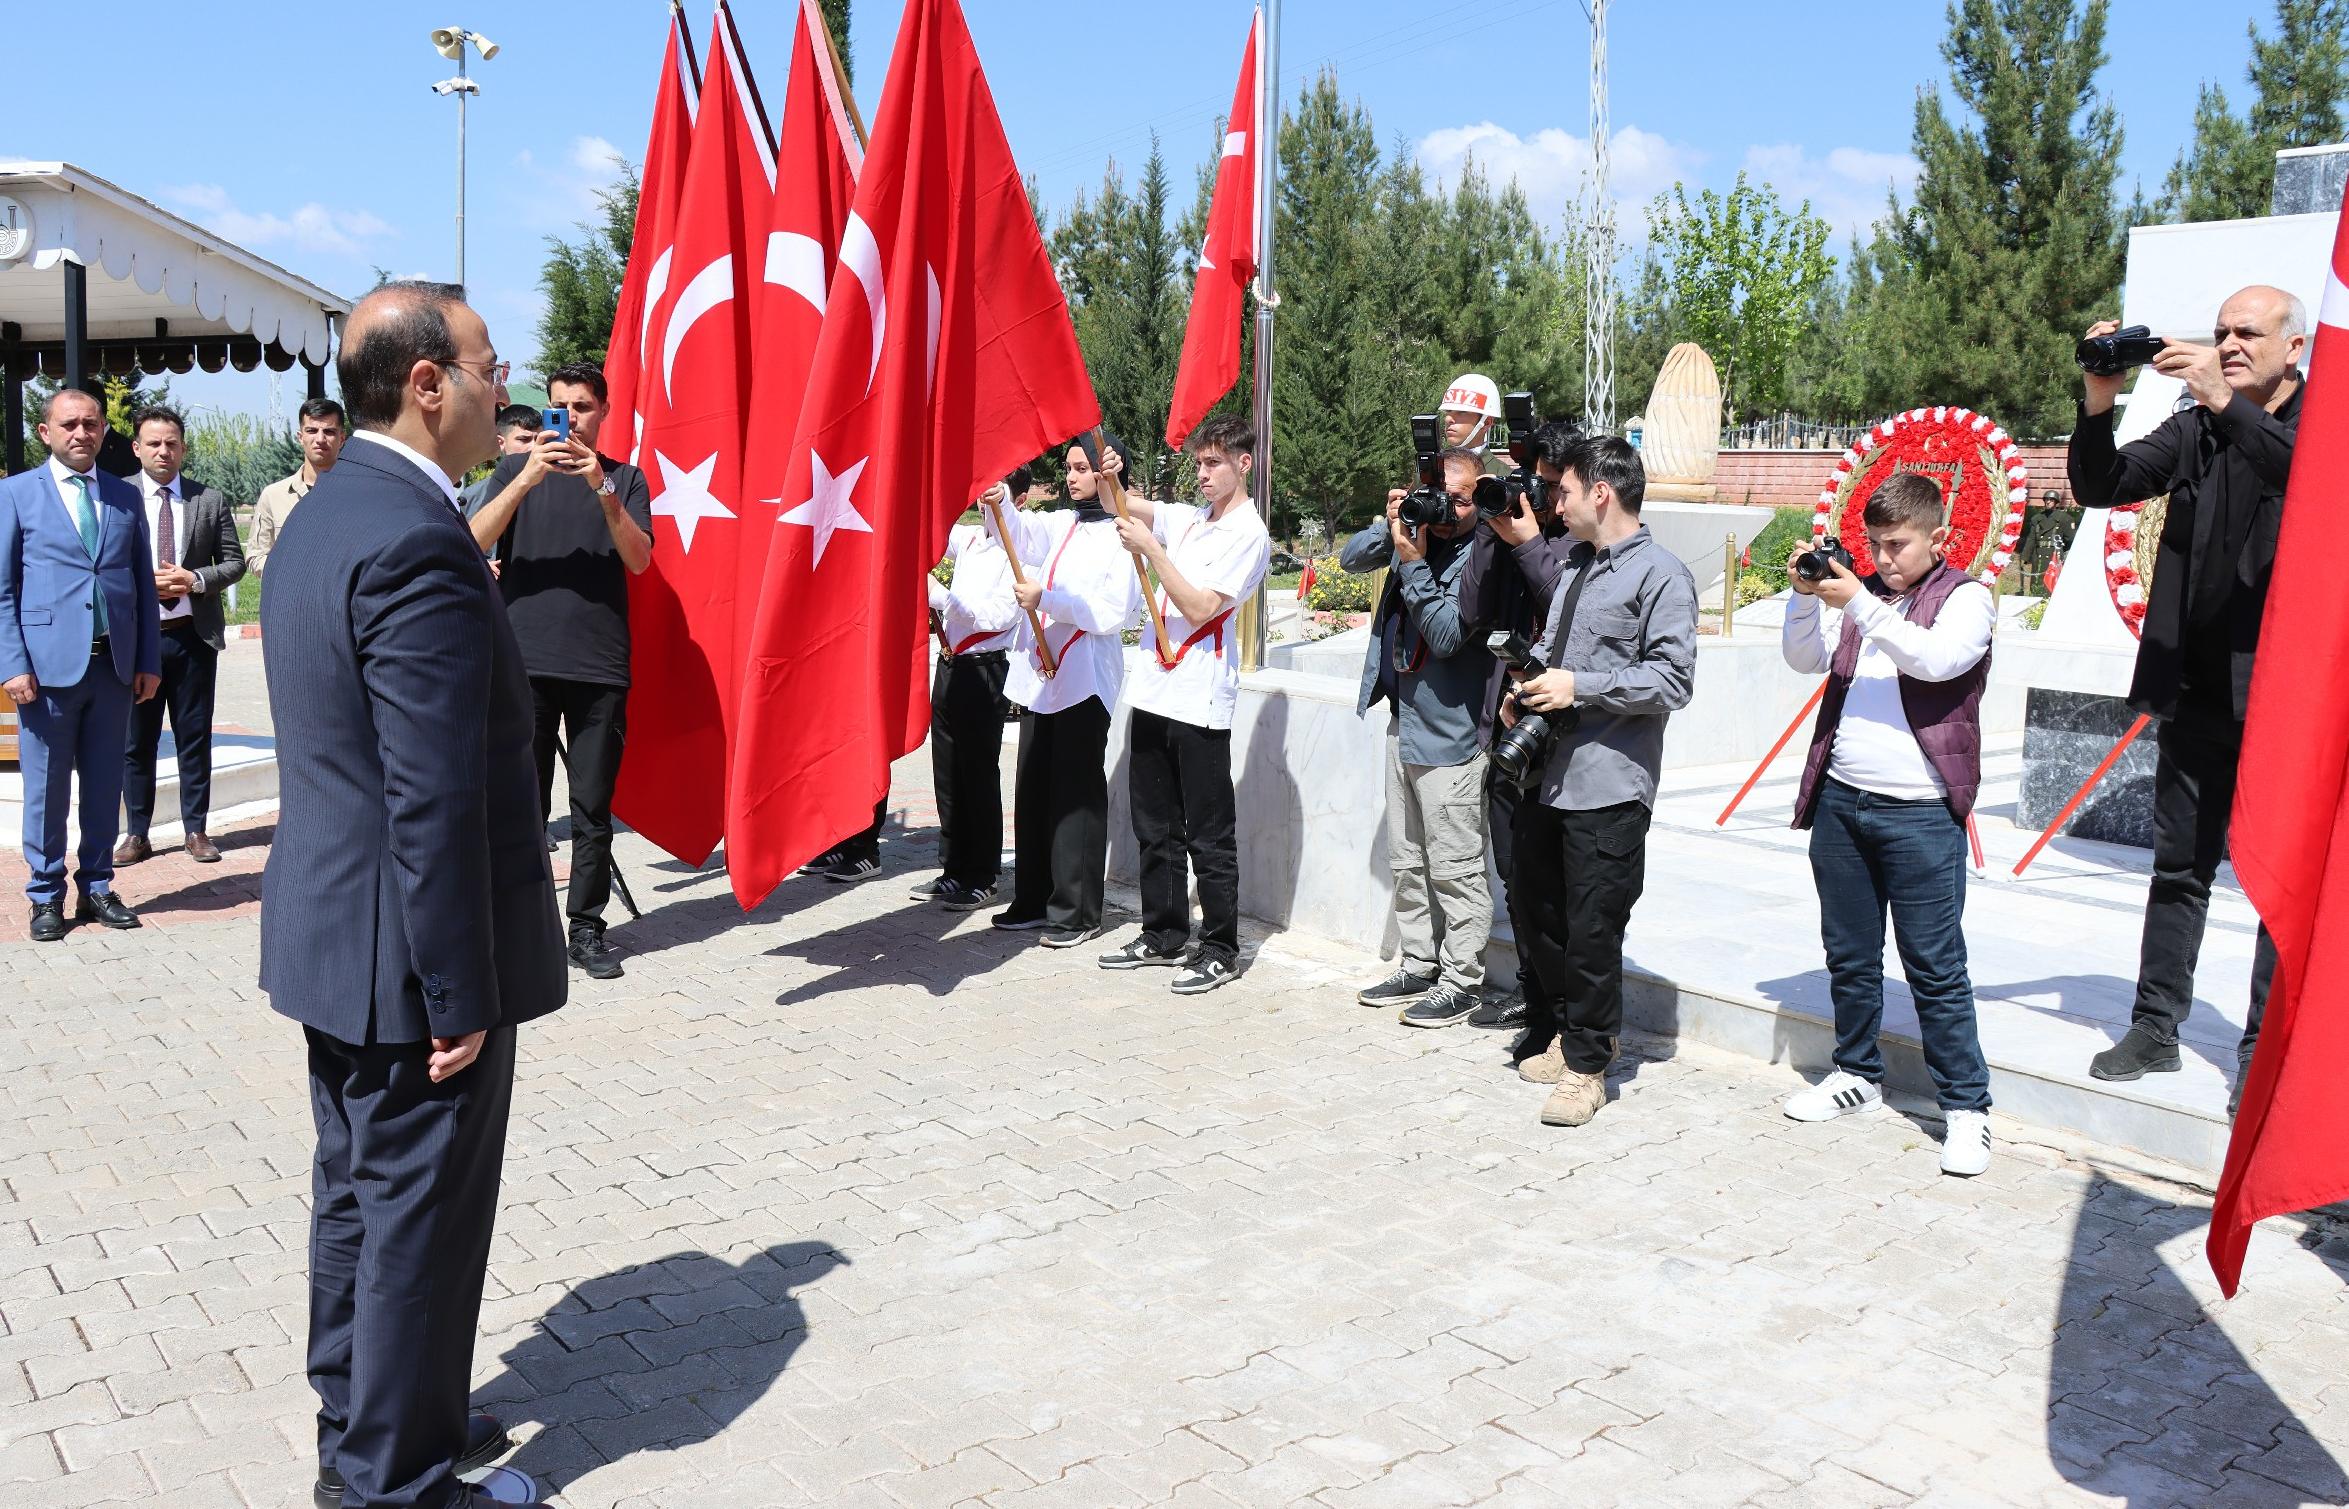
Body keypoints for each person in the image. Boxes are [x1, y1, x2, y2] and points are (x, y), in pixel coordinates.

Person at [260, 280, 562, 1509]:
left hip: (337, 937)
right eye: (490, 365)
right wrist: (458, 993)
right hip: (409, 965)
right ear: (427, 383)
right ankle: (395, 1482)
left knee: (359, 1201)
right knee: (419, 1227)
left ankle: (371, 1415)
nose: (509, 387)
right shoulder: (417, 538)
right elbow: (428, 793)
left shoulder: (338, 512)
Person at [2069, 287, 2303, 1106]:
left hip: (2286, 701)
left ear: (2294, 347)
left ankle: (2261, 1057)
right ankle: (2154, 1025)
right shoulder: (2197, 423)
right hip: (2197, 689)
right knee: (2178, 868)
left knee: (2278, 887)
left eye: (2249, 332)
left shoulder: (2319, 423)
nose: (2230, 344)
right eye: (2220, 332)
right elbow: (2103, 484)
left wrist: (2220, 399)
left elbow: (2304, 482)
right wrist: (2098, 405)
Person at [1779, 473, 1997, 1176]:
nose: (1881, 557)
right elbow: (1804, 659)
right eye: (1872, 544)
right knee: (1848, 951)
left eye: (1896, 544)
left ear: (1937, 537)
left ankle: (1967, 1108)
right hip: (1843, 800)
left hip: (1921, 812)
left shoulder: (1966, 599)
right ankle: (1855, 1074)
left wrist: (1859, 603)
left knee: (1935, 967)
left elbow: (1935, 661)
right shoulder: (1863, 596)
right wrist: (1803, 594)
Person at [1508, 436, 1697, 1127]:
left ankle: (1588, 1067)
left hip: (1609, 782)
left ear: (1599, 492)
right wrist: (1526, 689)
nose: (1550, 501)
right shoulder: (1574, 567)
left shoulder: (1661, 576)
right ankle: (1569, 1033)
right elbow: (1557, 658)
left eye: (1561, 490)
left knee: (1593, 929)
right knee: (1540, 915)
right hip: (1546, 774)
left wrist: (1577, 686)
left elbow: (1672, 680)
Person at [469, 362, 654, 981]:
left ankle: (586, 927)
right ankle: (522, 928)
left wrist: (600, 486)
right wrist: (525, 479)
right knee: (523, 803)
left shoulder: (626, 480)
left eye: (581, 407)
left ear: (603, 412)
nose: (569, 418)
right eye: (559, 407)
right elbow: (472, 541)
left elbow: (639, 561)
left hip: (600, 666)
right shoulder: (513, 471)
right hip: (524, 664)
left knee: (592, 808)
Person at [1097, 415, 1272, 994]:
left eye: (1212, 463)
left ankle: (1220, 944)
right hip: (1153, 689)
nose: (1201, 473)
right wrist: (1109, 475)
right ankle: (1164, 932)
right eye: (1197, 463)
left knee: (1208, 832)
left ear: (1242, 464)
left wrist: (1151, 549)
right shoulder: (1191, 519)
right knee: (1154, 824)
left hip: (1199, 700)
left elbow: (1200, 607)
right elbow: (1120, 505)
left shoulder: (1250, 533)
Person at [0, 389, 162, 941]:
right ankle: (45, 895)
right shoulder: (17, 494)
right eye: (68, 424)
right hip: (45, 673)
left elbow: (140, 582)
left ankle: (96, 886)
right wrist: (12, 663)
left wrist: (147, 659)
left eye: (91, 424)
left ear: (103, 431)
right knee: (45, 790)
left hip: (113, 667)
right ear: (46, 432)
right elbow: (3, 590)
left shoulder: (123, 495)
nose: (81, 433)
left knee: (102, 784)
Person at [1343, 447, 1493, 1027]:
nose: (1448, 508)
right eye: (1440, 494)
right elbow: (1354, 557)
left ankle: (1463, 978)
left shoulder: (1482, 556)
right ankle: (1418, 960)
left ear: (1479, 500)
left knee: (1454, 864)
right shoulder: (1415, 533)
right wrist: (1396, 525)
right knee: (1406, 858)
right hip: (1404, 718)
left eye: (1460, 499)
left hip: (1452, 729)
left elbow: (1449, 633)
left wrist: (1412, 562)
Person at [990, 433, 1142, 948]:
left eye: (1082, 468)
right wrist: (995, 502)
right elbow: (1020, 531)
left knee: (1074, 793)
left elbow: (1110, 612)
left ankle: (1076, 910)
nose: (1072, 476)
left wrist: (1047, 598)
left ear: (1106, 473)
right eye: (1070, 467)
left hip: (1084, 678)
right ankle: (1032, 897)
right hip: (1041, 678)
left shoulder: (1123, 534)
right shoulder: (1061, 523)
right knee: (1032, 787)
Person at [1457, 418, 1582, 1034]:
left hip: (1560, 739)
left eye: (1555, 487)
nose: (1546, 500)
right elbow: (1472, 611)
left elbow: (1565, 607)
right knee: (1514, 871)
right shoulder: (1512, 534)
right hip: (1505, 727)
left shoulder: (1580, 548)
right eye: (1538, 485)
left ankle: (1562, 1006)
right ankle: (1534, 996)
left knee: (1558, 878)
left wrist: (1530, 542)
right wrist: (1490, 529)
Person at [116, 406, 245, 867]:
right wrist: (139, 583)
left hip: (192, 638)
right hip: (138, 640)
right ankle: (136, 833)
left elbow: (235, 562)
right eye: (153, 443)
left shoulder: (207, 499)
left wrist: (194, 580)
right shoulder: (117, 497)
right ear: (137, 448)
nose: (163, 451)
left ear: (183, 448)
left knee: (194, 736)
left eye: (171, 442)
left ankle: (196, 829)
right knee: (137, 741)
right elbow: (102, 565)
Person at [912, 469, 1029, 911]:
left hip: (986, 669)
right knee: (948, 772)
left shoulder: (1018, 553)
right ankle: (953, 866)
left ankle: (983, 873)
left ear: (1018, 503)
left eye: (996, 496)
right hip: (951, 664)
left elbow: (997, 616)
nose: (985, 504)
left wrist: (942, 599)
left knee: (978, 773)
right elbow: (932, 527)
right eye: (982, 495)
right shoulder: (972, 540)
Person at [249, 398, 347, 575]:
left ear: (342, 438)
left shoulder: (357, 494)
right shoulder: (273, 496)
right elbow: (256, 556)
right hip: (288, 599)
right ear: (300, 437)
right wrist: (294, 573)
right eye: (311, 430)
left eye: (329, 431)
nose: (320, 438)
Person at [459, 404, 543, 515]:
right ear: (501, 442)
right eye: (523, 439)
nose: (533, 447)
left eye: (539, 439)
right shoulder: (473, 497)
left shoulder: (555, 488)